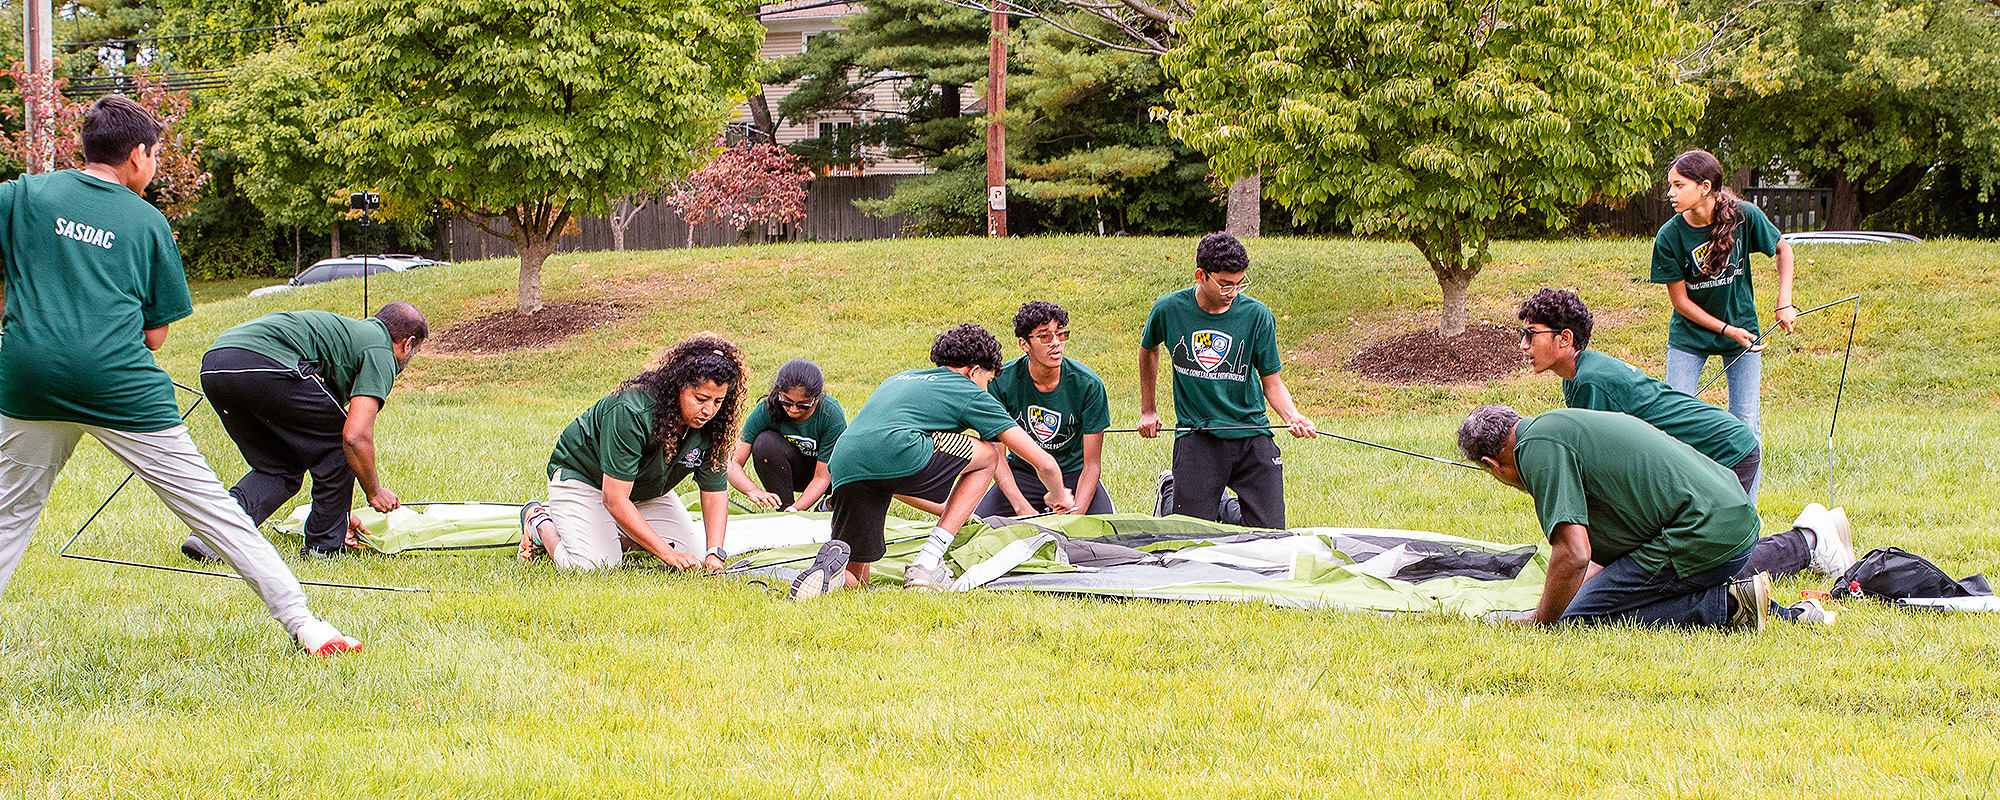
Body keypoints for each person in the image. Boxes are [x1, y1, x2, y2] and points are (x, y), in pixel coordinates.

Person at [0, 95, 359, 654]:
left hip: (29, 380)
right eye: (157, 155)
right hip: (119, 388)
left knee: (10, 512)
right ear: (138, 155)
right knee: (212, 508)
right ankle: (306, 624)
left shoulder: (23, 195)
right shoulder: (148, 223)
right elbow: (155, 335)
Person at [1457, 405, 1842, 629]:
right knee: (1599, 597)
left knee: (1578, 619)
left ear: (1493, 464)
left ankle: (1724, 606)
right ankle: (1778, 599)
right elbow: (1597, 558)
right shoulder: (1556, 426)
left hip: (1702, 534)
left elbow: (1574, 553)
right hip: (1729, 517)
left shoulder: (1536, 450)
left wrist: (1541, 619)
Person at [792, 324, 1073, 598]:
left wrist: (948, 509)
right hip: (898, 450)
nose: (986, 390)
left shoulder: (899, 379)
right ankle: (928, 563)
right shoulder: (967, 389)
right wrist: (1058, 495)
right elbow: (1043, 463)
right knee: (988, 454)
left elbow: (892, 476)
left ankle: (833, 576)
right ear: (973, 370)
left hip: (845, 461)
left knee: (858, 576)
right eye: (987, 382)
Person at [180, 303, 428, 561]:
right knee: (339, 449)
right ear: (407, 343)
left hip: (216, 364)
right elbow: (354, 436)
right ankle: (323, 549)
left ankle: (210, 537)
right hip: (268, 362)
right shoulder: (381, 350)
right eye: (416, 351)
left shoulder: (354, 335)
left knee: (279, 467)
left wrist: (337, 515)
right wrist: (374, 491)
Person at [518, 334, 746, 572]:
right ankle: (540, 522)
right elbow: (614, 499)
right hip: (585, 480)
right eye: (701, 398)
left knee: (694, 554)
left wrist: (714, 554)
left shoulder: (713, 425)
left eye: (718, 401)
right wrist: (667, 554)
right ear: (679, 387)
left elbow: (714, 492)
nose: (709, 410)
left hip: (641, 490)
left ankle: (609, 531)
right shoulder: (630, 410)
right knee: (596, 566)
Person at [1137, 232, 1316, 528]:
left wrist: (1292, 415)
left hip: (1251, 433)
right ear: (1201, 275)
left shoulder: (1257, 316)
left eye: (1239, 283)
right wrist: (1149, 409)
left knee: (1271, 536)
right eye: (1224, 284)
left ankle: (1218, 504)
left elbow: (1271, 381)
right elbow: (1149, 350)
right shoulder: (1169, 309)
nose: (1232, 292)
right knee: (1190, 537)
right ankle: (1172, 493)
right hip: (1199, 435)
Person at [1652, 149, 1798, 438]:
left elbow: (1783, 249)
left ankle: (1742, 486)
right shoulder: (1669, 236)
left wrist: (1785, 302)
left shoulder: (1744, 217)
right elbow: (1680, 302)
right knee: (1674, 423)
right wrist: (1726, 330)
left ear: (1705, 187)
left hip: (1743, 330)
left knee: (1746, 424)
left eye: (1679, 185)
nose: (1670, 193)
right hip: (1690, 335)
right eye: (1670, 185)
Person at [974, 301, 1113, 517]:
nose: (1056, 343)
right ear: (1024, 344)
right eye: (1045, 336)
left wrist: (1076, 514)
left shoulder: (1088, 385)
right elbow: (997, 457)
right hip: (1022, 473)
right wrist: (1021, 507)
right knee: (979, 528)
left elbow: (1092, 465)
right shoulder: (1000, 382)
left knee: (1107, 538)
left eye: (1060, 334)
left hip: (1074, 474)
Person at [726, 359, 846, 513]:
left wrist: (797, 509)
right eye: (787, 402)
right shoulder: (766, 409)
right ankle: (784, 509)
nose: (794, 409)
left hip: (827, 476)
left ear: (816, 398)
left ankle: (826, 506)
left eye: (803, 405)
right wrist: (752, 490)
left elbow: (822, 477)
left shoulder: (830, 414)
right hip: (792, 471)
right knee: (765, 443)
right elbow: (731, 463)